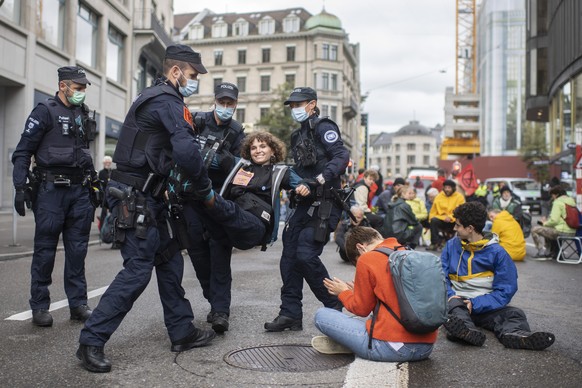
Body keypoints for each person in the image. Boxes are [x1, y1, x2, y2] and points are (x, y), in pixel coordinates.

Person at [77, 44, 216, 373]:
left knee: (168, 259)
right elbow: (184, 148)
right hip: (134, 196)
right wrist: (204, 187)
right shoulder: (167, 100)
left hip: (148, 196)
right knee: (137, 272)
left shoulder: (156, 97)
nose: (195, 82)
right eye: (193, 75)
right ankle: (91, 341)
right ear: (176, 71)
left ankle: (182, 331)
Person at [12, 66, 98, 328]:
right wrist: (19, 186)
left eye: (84, 88)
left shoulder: (81, 114)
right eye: (78, 87)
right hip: (51, 191)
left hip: (78, 192)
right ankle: (39, 305)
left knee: (77, 251)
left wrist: (94, 185)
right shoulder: (44, 111)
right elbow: (23, 152)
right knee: (45, 251)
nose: (82, 92)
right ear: (63, 86)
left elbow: (83, 153)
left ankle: (78, 304)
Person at [264, 87, 349, 332]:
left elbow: (341, 156)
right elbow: (301, 171)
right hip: (302, 205)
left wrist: (320, 180)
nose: (294, 109)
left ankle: (334, 305)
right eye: (291, 106)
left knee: (305, 254)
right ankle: (290, 313)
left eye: (298, 104)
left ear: (312, 104)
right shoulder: (296, 135)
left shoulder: (324, 127)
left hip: (325, 204)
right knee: (289, 257)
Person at [441, 202, 555, 350]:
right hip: (457, 303)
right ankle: (465, 331)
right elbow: (440, 276)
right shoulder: (451, 246)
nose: (454, 228)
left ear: (470, 229)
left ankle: (516, 335)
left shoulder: (498, 253)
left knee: (514, 313)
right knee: (455, 308)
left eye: (457, 225)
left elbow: (505, 290)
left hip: (483, 306)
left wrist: (475, 304)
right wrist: (451, 296)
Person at [178, 82, 245, 333]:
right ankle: (212, 299)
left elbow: (241, 168)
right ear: (215, 101)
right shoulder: (196, 120)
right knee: (198, 256)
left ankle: (220, 311)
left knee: (219, 257)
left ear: (235, 105)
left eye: (230, 103)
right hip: (191, 199)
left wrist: (224, 161)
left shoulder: (238, 132)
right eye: (222, 102)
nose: (225, 107)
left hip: (219, 202)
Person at [311, 226, 437, 360]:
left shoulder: (368, 259)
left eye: (356, 261)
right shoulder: (408, 253)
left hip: (390, 348)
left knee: (321, 315)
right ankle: (355, 343)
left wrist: (344, 292)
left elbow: (361, 309)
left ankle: (353, 344)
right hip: (426, 348)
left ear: (360, 248)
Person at [184, 131, 301, 251]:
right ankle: (199, 193)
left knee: (231, 210)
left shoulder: (281, 172)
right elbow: (205, 157)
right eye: (253, 148)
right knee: (200, 205)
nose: (258, 151)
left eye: (263, 146)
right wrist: (184, 147)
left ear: (273, 150)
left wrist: (304, 187)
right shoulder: (239, 164)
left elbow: (303, 184)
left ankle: (206, 193)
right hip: (227, 226)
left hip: (255, 226)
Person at [531, 185, 577, 260]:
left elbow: (554, 220)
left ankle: (541, 252)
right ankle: (548, 252)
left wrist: (544, 223)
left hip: (561, 232)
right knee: (547, 230)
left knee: (535, 230)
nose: (552, 198)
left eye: (552, 195)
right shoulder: (571, 201)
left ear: (556, 194)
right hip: (573, 231)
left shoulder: (557, 202)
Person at [427, 179, 465, 251]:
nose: (447, 189)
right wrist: (431, 220)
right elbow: (433, 211)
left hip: (454, 220)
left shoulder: (459, 197)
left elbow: (460, 211)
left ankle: (448, 242)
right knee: (433, 221)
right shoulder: (439, 196)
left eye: (449, 188)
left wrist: (450, 217)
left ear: (453, 188)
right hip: (441, 219)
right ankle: (435, 243)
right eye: (446, 187)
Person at [98, 156, 113, 231]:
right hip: (104, 195)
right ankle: (102, 229)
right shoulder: (101, 172)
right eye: (106, 162)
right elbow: (102, 183)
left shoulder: (112, 172)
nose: (107, 164)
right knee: (103, 213)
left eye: (109, 162)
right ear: (104, 163)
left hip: (112, 195)